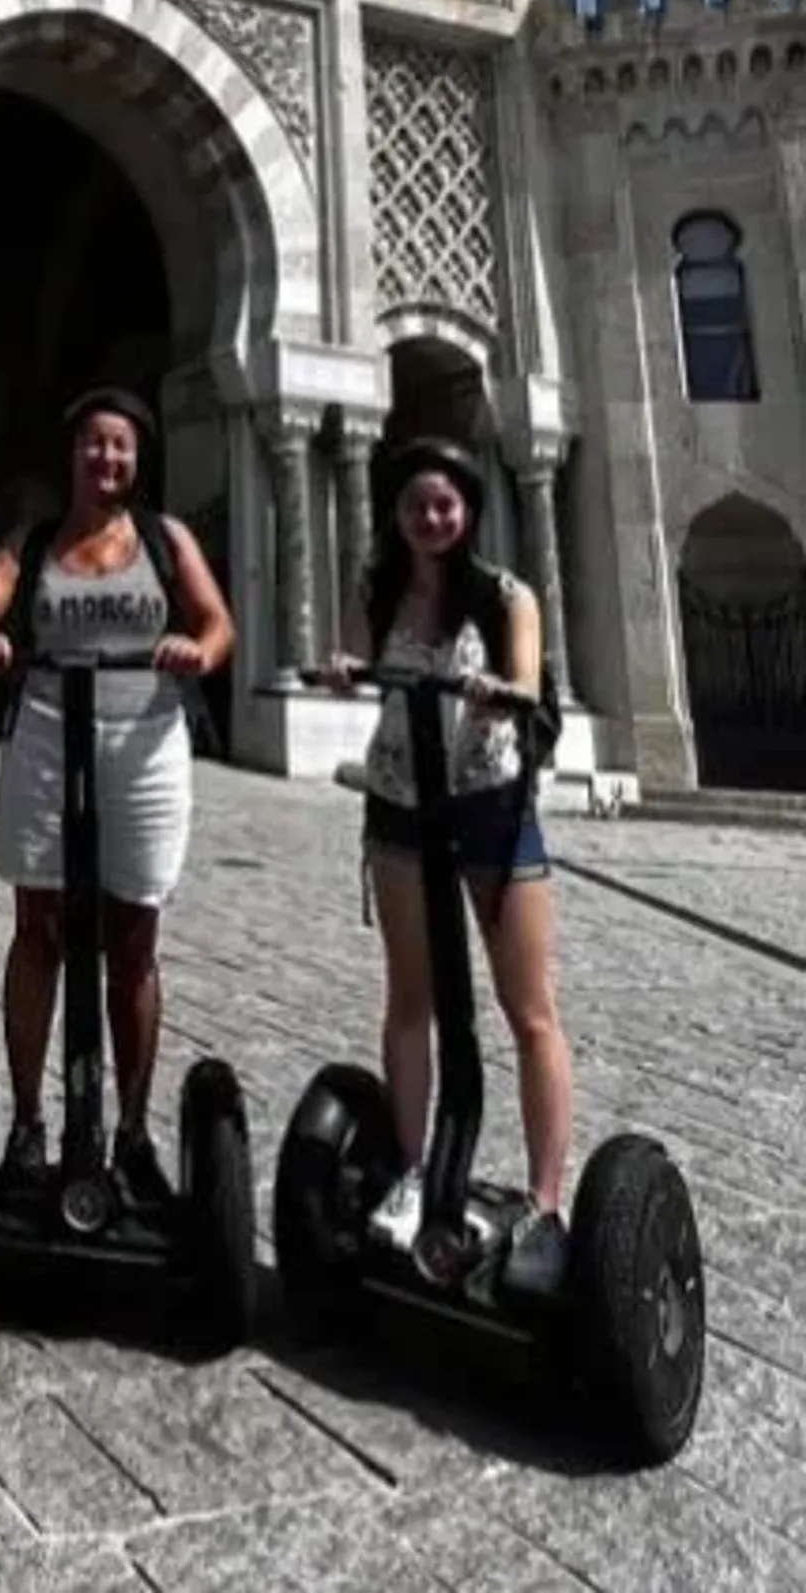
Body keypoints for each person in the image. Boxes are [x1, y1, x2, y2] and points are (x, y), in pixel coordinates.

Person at [0, 388, 235, 1199]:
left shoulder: (164, 538)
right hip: (48, 727)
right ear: (72, 452)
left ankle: (133, 1130)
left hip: (144, 739)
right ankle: (28, 1125)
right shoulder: (35, 538)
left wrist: (197, 649)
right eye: (93, 442)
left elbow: (218, 623)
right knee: (37, 924)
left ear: (137, 459)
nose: (106, 457)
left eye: (120, 445)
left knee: (134, 934)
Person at [318, 434, 574, 1292]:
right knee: (412, 999)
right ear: (396, 515)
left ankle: (545, 1199)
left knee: (528, 1007)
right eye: (415, 505)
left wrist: (505, 693)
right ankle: (410, 1166)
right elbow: (351, 658)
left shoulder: (505, 597)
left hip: (491, 804)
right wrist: (342, 670)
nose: (430, 518)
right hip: (402, 797)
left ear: (467, 510)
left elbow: (528, 680)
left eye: (444, 504)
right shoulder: (378, 589)